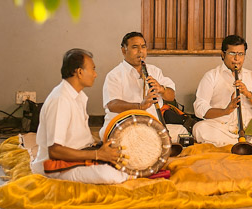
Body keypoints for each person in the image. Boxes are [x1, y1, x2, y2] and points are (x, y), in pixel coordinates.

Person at [31, 49, 128, 184]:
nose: (95, 74)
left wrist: (100, 150)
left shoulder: (78, 96)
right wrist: (97, 155)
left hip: (80, 154)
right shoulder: (61, 100)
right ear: (80, 72)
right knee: (109, 174)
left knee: (123, 157)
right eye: (93, 69)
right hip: (58, 165)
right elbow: (55, 151)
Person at [192, 35, 252, 146]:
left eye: (241, 54)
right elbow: (199, 109)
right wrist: (226, 111)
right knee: (199, 129)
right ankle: (249, 144)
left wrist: (248, 94)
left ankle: (241, 144)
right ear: (223, 55)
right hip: (223, 128)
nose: (237, 59)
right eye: (232, 54)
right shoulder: (211, 76)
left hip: (250, 128)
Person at [99, 32, 187, 144]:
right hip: (125, 126)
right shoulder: (114, 75)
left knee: (182, 132)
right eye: (135, 47)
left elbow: (171, 96)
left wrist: (161, 89)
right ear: (123, 50)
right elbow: (112, 105)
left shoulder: (154, 71)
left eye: (143, 47)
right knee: (130, 138)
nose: (140, 51)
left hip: (152, 125)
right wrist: (140, 106)